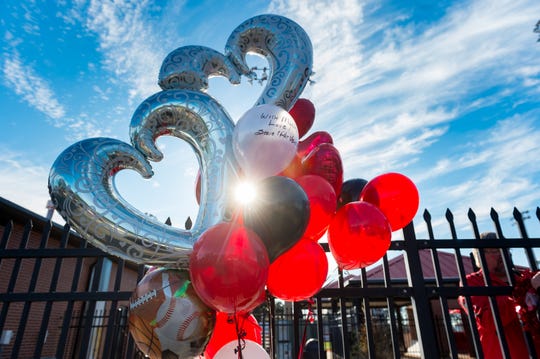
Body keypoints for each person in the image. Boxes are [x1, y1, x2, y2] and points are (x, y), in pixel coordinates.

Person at [459, 232, 540, 359]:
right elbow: (489, 321)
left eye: (506, 249)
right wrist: (526, 293)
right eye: (495, 250)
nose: (503, 253)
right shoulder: (472, 282)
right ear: (479, 257)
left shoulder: (523, 278)